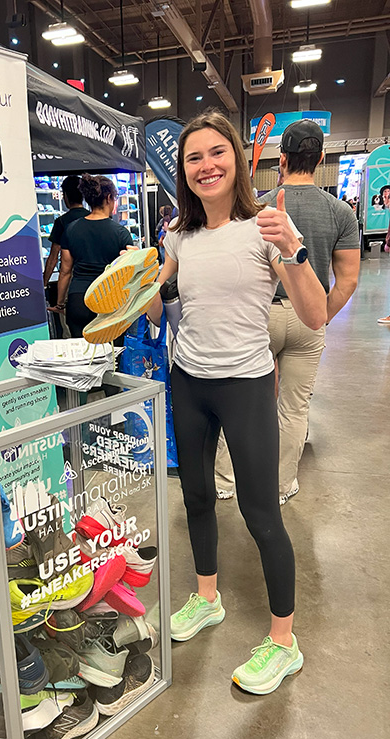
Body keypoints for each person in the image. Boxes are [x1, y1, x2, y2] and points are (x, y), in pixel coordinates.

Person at [147, 109, 327, 695]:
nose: (206, 165)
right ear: (183, 169)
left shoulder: (266, 229)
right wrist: (148, 281)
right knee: (197, 497)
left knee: (261, 514)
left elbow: (315, 315)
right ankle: (207, 599)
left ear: (236, 161)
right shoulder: (177, 235)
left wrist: (296, 252)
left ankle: (284, 642)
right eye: (193, 157)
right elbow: (155, 312)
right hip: (189, 382)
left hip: (246, 385)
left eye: (216, 153)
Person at [216, 120, 360, 504]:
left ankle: (226, 481)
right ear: (321, 159)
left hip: (259, 316)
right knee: (294, 406)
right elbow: (347, 279)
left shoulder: (259, 208)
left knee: (245, 400)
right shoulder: (341, 212)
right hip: (307, 318)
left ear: (281, 160)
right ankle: (280, 486)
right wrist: (320, 316)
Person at [50, 173, 133, 338]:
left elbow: (65, 272)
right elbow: (128, 273)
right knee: (112, 356)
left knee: (81, 356)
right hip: (110, 301)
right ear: (109, 198)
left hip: (79, 300)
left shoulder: (71, 229)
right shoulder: (121, 233)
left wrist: (60, 304)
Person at [42, 175, 89, 288]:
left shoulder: (62, 222)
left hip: (72, 282)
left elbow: (53, 257)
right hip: (94, 279)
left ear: (66, 196)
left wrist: (43, 284)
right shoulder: (93, 217)